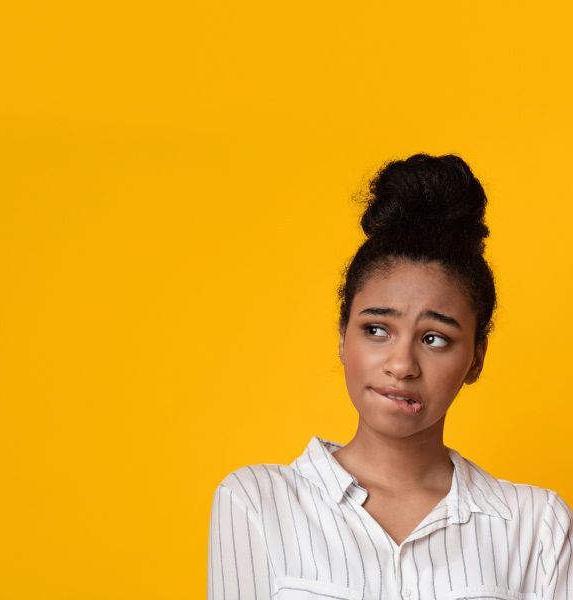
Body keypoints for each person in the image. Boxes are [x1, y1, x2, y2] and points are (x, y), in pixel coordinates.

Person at [207, 154, 572, 600]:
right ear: (343, 336)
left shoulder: (537, 525)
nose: (402, 365)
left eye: (435, 338)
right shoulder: (257, 501)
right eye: (377, 330)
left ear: (476, 358)